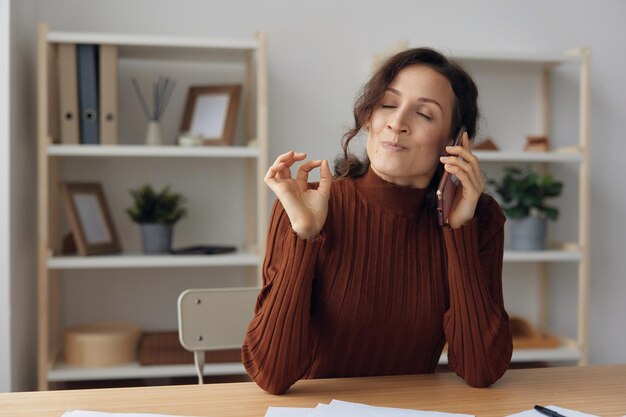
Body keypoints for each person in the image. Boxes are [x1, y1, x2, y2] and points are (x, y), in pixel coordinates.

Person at [242, 47, 513, 395]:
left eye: (425, 114)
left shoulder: (479, 218)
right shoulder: (305, 205)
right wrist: (304, 236)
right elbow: (271, 373)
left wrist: (459, 230)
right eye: (387, 104)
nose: (397, 123)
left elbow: (482, 368)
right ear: (368, 117)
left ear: (454, 141)